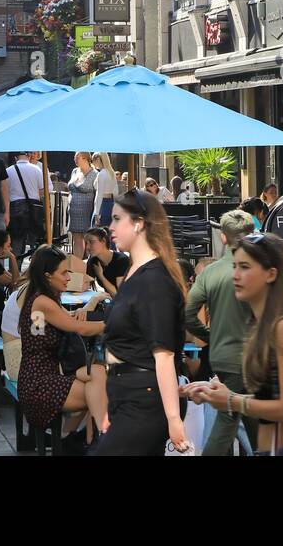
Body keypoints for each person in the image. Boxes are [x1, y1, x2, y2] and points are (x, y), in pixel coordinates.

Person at [185, 232, 283, 456]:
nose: (235, 275)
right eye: (234, 266)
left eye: (244, 267)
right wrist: (215, 392)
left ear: (271, 274)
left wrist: (231, 400)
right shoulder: (260, 325)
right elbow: (266, 396)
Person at [88, 190, 189, 457]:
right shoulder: (134, 272)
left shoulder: (155, 280)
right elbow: (123, 345)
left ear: (139, 223)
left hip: (145, 402)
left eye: (117, 219)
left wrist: (173, 419)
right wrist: (112, 405)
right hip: (128, 398)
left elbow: (164, 355)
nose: (110, 227)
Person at [18, 245, 107, 447]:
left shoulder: (43, 299)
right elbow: (79, 329)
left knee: (98, 375)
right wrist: (112, 325)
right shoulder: (43, 302)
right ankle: (96, 440)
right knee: (101, 390)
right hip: (39, 385)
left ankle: (83, 439)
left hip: (40, 377)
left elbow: (61, 323)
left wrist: (84, 311)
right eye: (65, 272)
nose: (69, 277)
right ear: (48, 276)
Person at [184, 208, 258, 456]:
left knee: (247, 420)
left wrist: (210, 337)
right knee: (238, 421)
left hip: (224, 355)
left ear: (223, 238)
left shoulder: (212, 272)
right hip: (252, 356)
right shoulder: (258, 269)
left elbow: (188, 314)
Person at [7, 150, 45, 258]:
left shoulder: (8, 171)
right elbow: (43, 189)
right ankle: (36, 268)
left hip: (15, 206)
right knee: (35, 241)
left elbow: (6, 190)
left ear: (15, 158)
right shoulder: (37, 169)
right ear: (28, 156)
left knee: (16, 241)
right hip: (34, 206)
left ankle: (15, 270)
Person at [67, 152, 97, 259]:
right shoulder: (74, 171)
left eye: (77, 157)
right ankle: (77, 267)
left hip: (87, 211)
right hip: (74, 211)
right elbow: (70, 189)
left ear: (85, 158)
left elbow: (97, 194)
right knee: (76, 239)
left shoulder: (94, 174)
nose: (75, 159)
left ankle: (89, 266)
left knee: (88, 239)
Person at [84, 226, 130, 295]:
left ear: (103, 241)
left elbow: (119, 296)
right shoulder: (93, 261)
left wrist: (101, 277)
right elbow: (85, 285)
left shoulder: (121, 260)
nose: (87, 247)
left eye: (91, 242)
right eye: (86, 243)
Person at [91, 153, 118, 228]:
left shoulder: (101, 174)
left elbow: (99, 194)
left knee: (96, 233)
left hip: (102, 205)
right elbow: (116, 192)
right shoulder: (111, 172)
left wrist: (96, 213)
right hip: (110, 204)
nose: (92, 163)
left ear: (98, 160)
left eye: (93, 160)